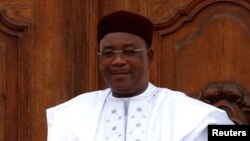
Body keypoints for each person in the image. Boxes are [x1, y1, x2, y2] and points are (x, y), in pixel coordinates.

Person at [46, 10, 234, 141]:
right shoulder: (71, 114)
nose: (118, 60)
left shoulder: (194, 115)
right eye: (109, 53)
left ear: (149, 57)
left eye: (129, 51)